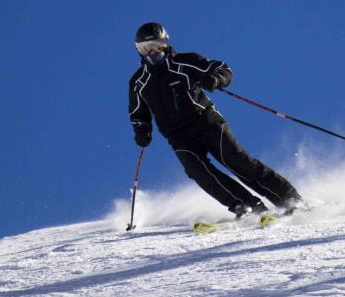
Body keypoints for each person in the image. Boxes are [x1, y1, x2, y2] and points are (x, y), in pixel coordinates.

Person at [128, 22, 305, 218]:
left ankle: (288, 198)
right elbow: (137, 112)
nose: (153, 53)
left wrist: (216, 79)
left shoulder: (185, 62)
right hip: (177, 136)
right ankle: (245, 205)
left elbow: (222, 68)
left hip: (205, 122)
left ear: (166, 44)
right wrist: (142, 130)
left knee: (235, 161)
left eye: (157, 47)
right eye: (146, 48)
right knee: (198, 171)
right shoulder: (139, 82)